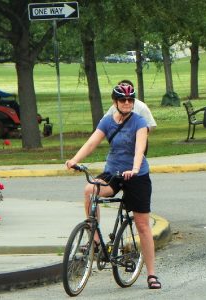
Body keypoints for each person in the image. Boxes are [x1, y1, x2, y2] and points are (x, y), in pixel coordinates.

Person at [65, 83, 161, 289]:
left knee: (142, 225)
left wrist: (135, 169)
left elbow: (139, 149)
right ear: (115, 102)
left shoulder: (139, 122)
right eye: (122, 100)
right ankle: (96, 239)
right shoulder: (108, 122)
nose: (127, 103)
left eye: (130, 100)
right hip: (113, 173)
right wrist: (74, 160)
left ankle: (151, 274)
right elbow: (92, 143)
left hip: (137, 176)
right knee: (90, 190)